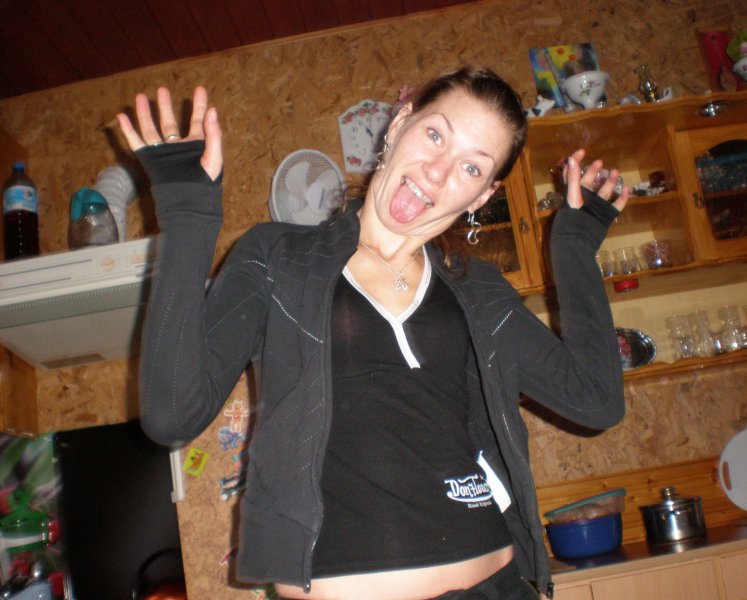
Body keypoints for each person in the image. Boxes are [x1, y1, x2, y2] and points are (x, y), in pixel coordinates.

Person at [117, 66, 628, 600]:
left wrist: (575, 246)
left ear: (483, 195)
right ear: (399, 123)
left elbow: (595, 400)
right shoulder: (278, 258)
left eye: (471, 167)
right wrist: (188, 213)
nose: (437, 172)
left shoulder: (479, 291)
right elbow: (172, 415)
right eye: (435, 135)